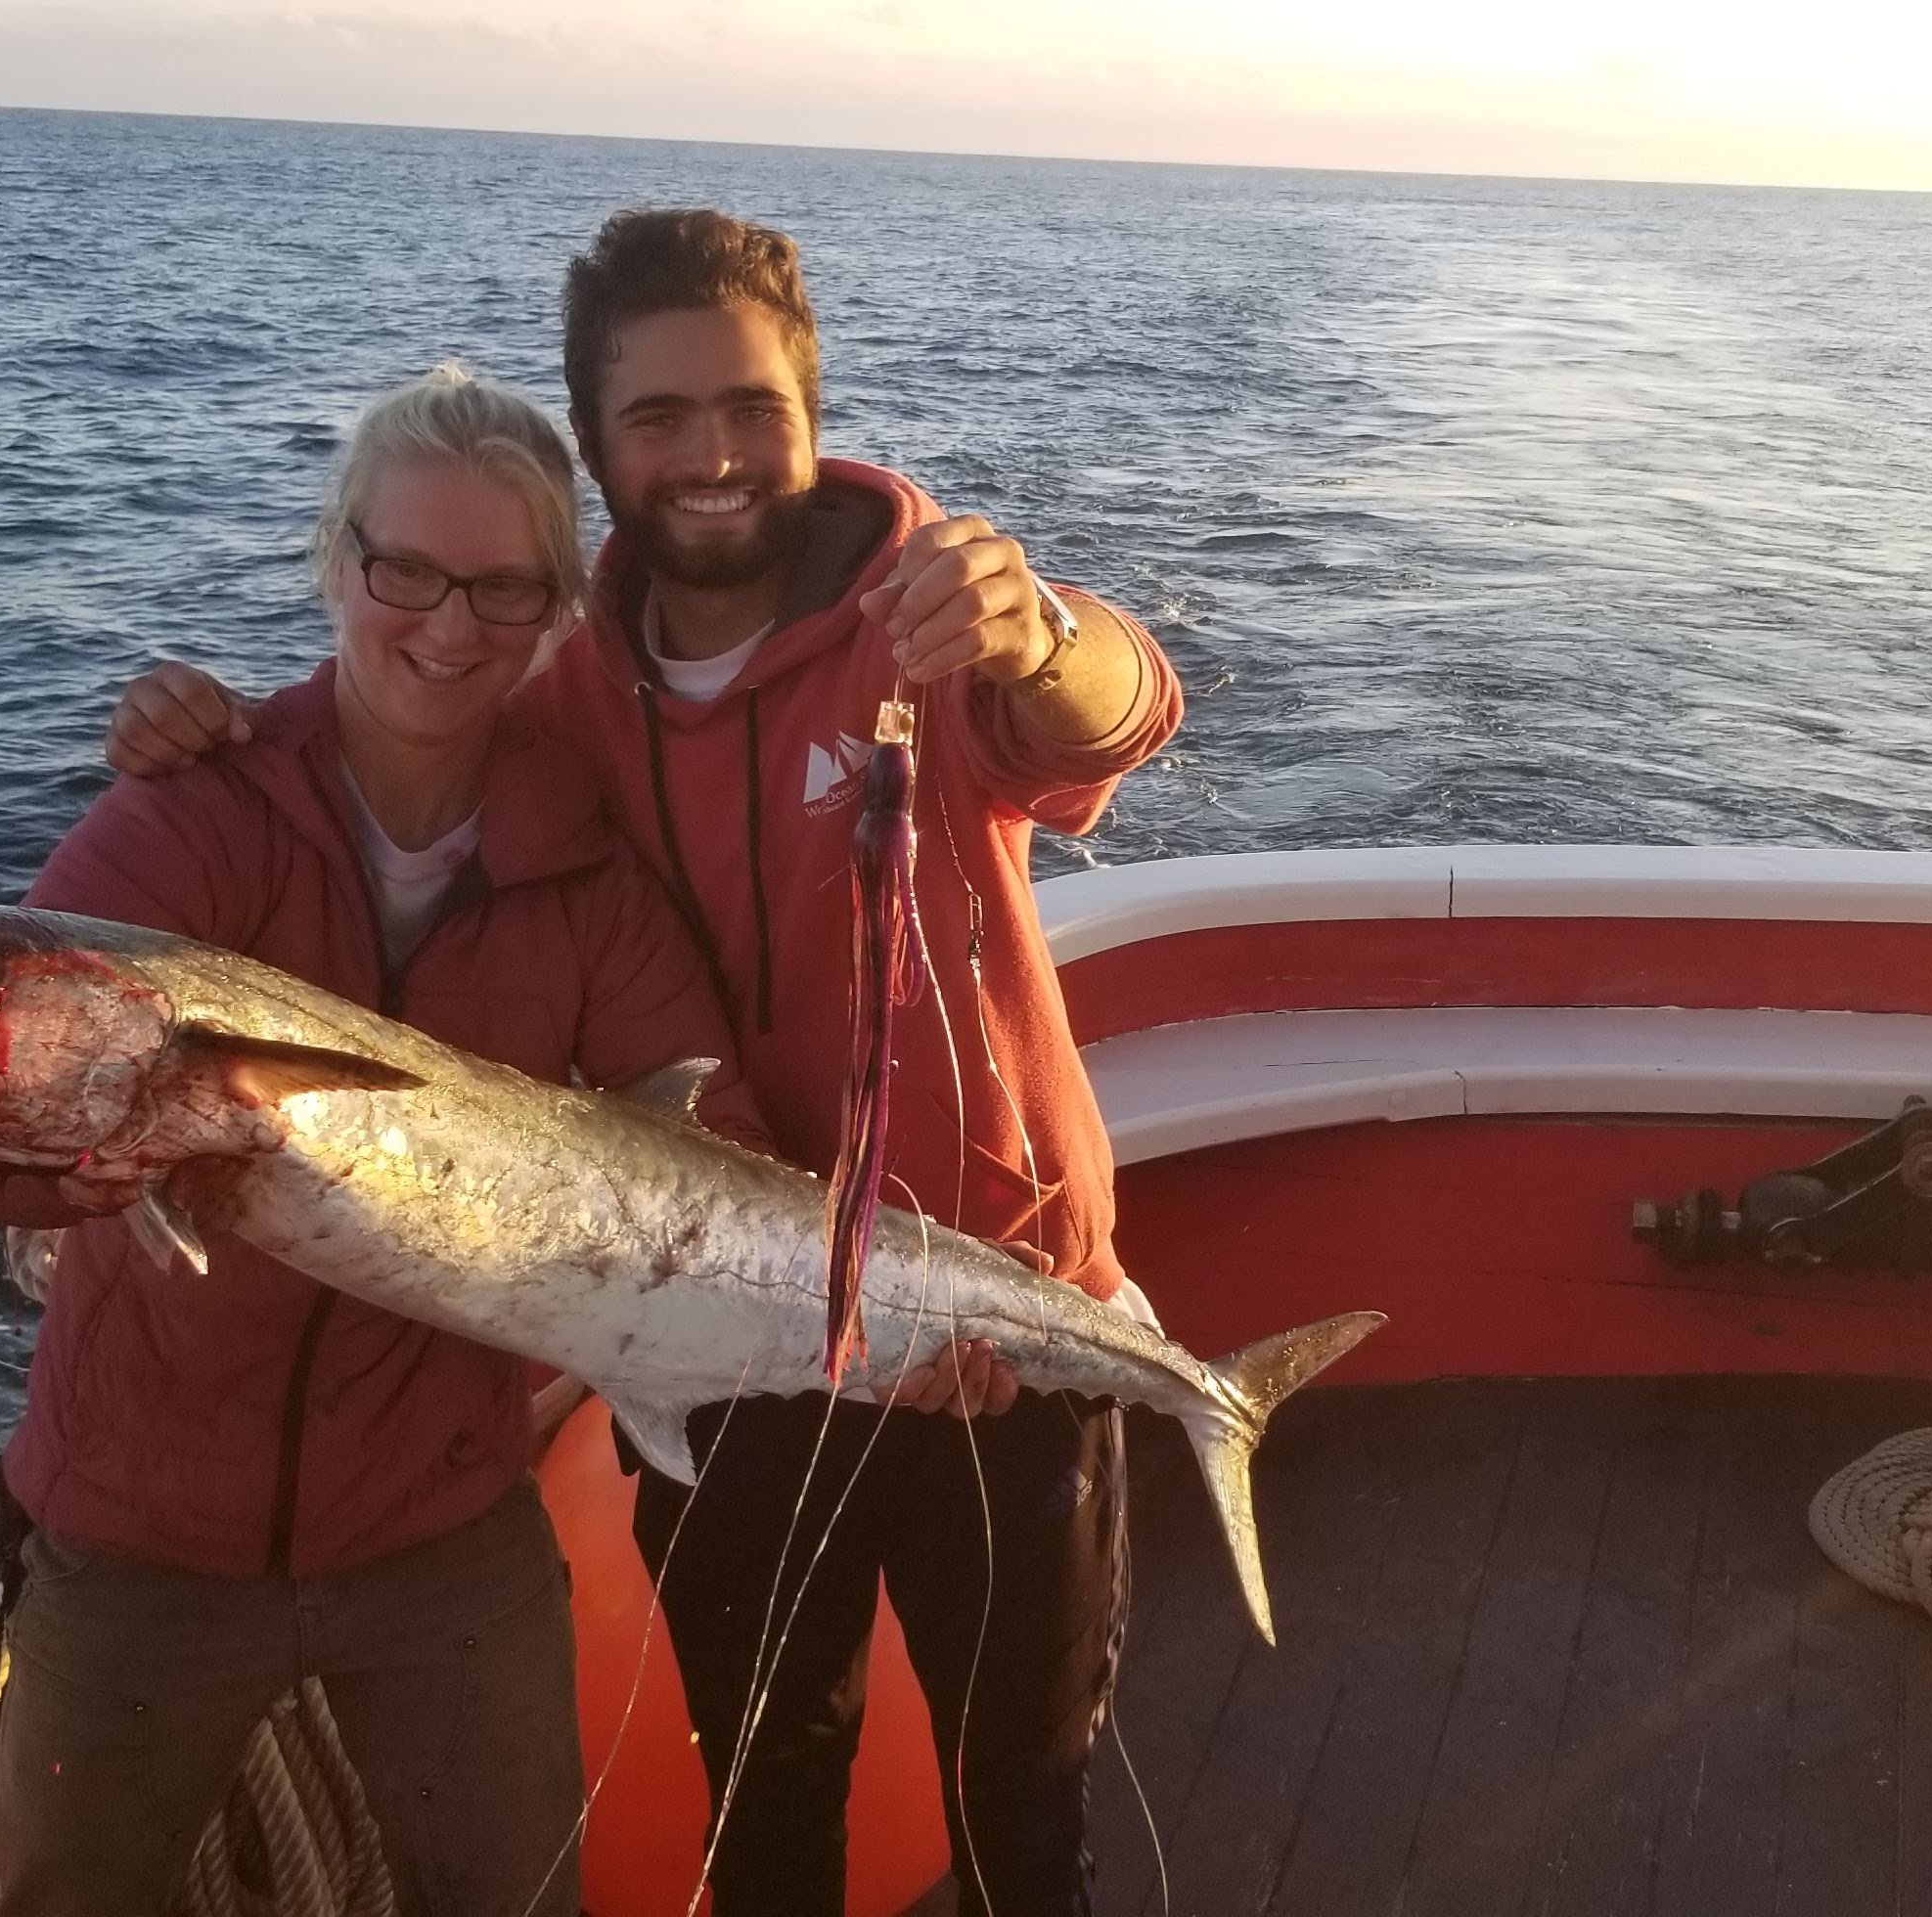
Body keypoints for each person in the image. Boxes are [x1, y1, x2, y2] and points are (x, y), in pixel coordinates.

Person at [103, 209, 1182, 1916]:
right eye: (657, 418)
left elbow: (1113, 714)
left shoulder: (932, 625)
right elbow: (394, 777)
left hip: (989, 1317)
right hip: (711, 1325)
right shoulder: (559, 690)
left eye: (748, 406)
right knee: (763, 1800)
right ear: (597, 444)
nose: (712, 455)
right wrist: (202, 732)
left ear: (812, 408)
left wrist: (1044, 628)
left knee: (1023, 1816)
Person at [0, 364, 767, 1916]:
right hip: (134, 1528)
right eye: (407, 572)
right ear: (338, 559)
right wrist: (78, 1144)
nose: (449, 630)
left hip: (441, 1526)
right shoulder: (187, 819)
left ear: (555, 614)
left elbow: (721, 1132)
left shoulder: (580, 861)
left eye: (504, 590)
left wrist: (865, 1309)